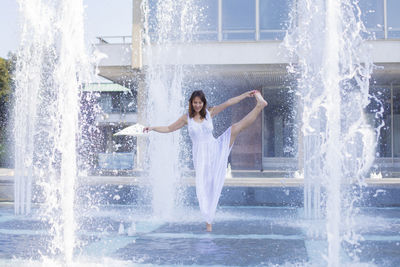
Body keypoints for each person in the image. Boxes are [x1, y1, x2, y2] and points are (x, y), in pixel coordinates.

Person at [143, 90, 268, 232]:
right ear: (191, 103)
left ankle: (259, 106)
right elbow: (169, 128)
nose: (197, 105)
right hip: (201, 156)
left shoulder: (209, 113)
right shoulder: (186, 118)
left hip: (214, 148)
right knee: (203, 187)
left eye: (200, 103)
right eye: (195, 102)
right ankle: (208, 222)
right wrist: (152, 128)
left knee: (235, 128)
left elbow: (228, 102)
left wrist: (245, 95)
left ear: (203, 103)